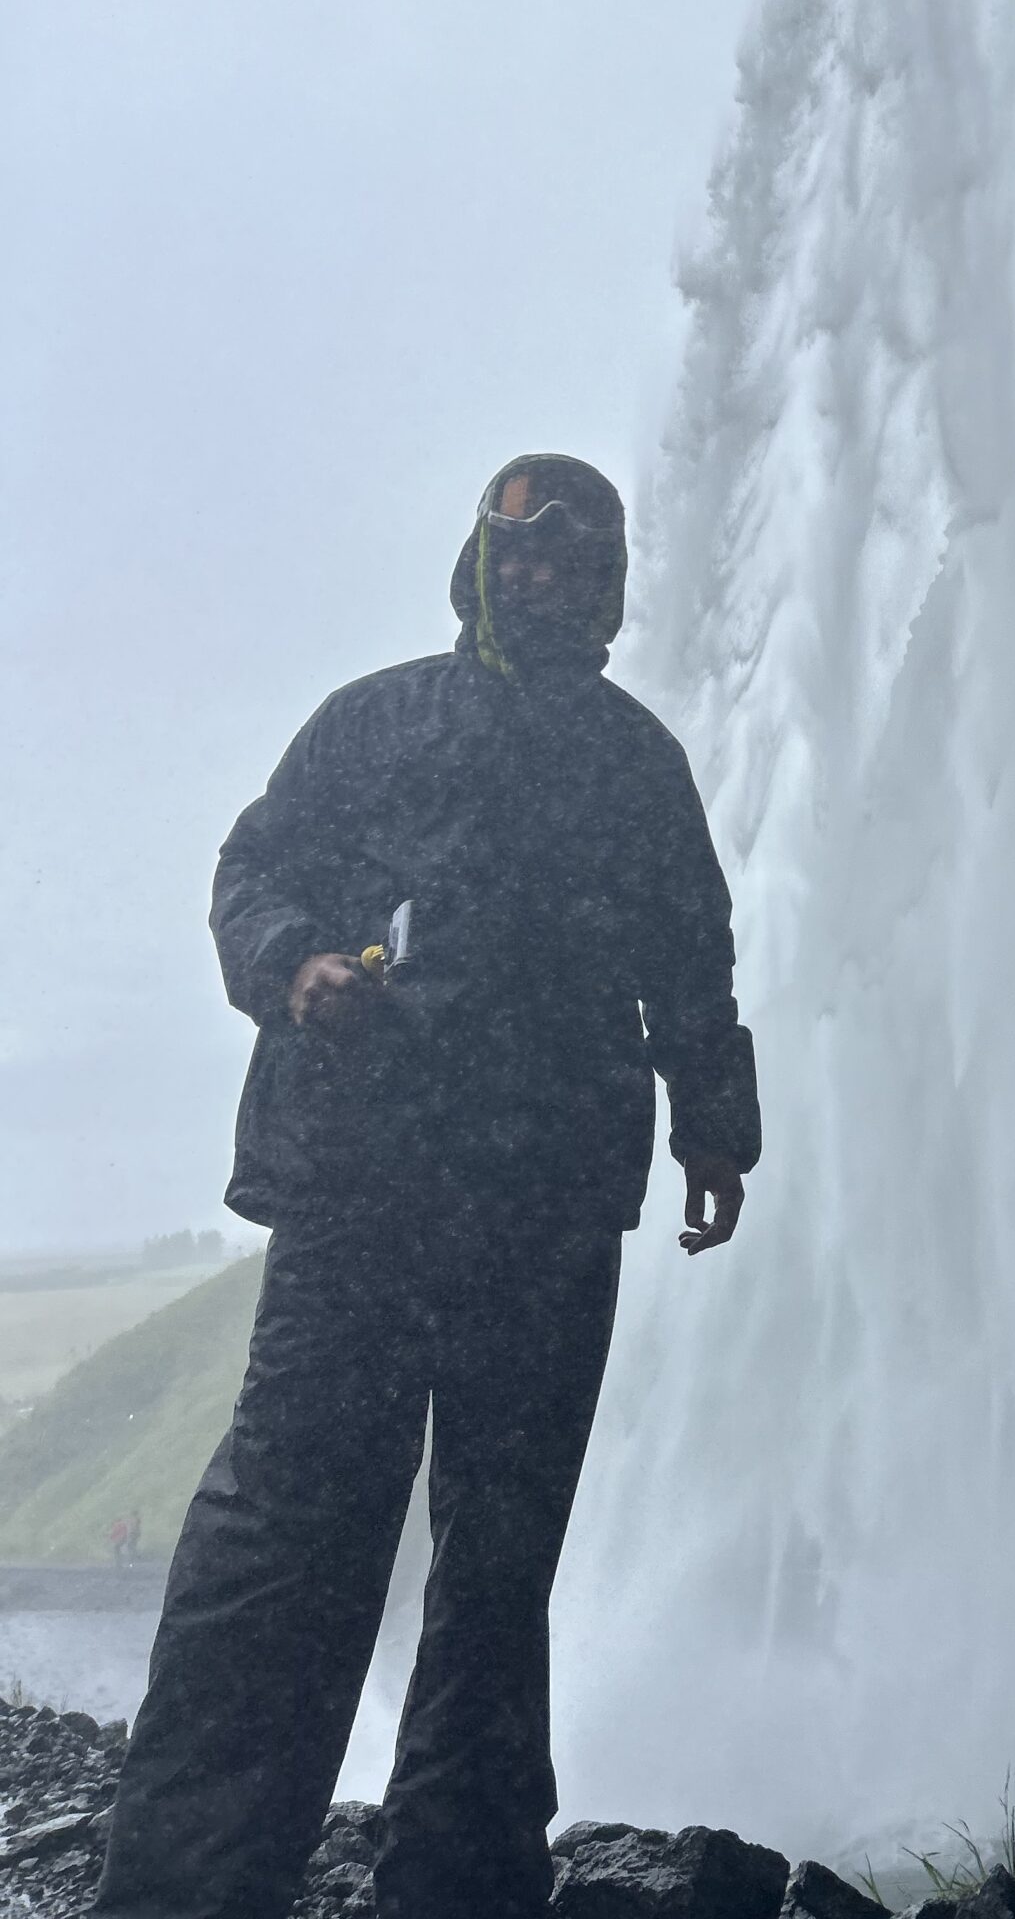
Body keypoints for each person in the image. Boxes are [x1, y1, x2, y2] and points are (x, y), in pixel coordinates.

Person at [94, 454, 759, 1919]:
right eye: (518, 554)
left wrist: (716, 1124)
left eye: (576, 563)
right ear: (479, 566)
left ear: (608, 586)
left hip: (550, 1212)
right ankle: (188, 1893)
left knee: (500, 1562)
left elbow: (691, 958)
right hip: (364, 1196)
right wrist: (291, 967)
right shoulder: (370, 725)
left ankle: (462, 1886)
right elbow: (251, 872)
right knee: (289, 1536)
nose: (543, 580)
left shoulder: (641, 765)